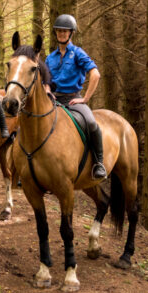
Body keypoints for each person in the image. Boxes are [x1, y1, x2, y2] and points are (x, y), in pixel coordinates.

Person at [44, 14, 107, 179]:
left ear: (71, 33)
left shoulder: (78, 53)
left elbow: (95, 74)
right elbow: (46, 81)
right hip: (53, 100)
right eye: (59, 31)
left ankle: (99, 163)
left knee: (92, 123)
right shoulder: (50, 58)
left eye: (65, 31)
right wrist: (47, 90)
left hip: (73, 99)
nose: (62, 34)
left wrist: (85, 99)